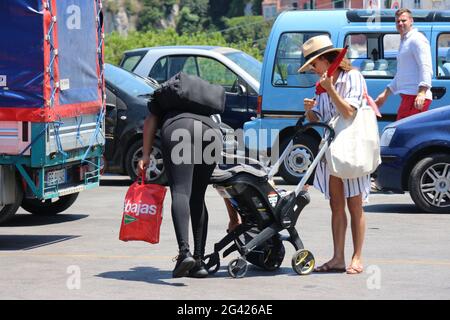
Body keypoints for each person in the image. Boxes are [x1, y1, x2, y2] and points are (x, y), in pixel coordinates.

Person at [300, 35, 369, 275]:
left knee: (355, 204)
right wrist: (310, 111)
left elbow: (349, 112)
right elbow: (319, 119)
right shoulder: (321, 84)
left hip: (350, 146)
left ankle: (356, 257)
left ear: (326, 59)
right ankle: (338, 257)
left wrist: (330, 90)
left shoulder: (353, 77)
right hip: (331, 148)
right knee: (336, 205)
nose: (312, 69)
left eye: (314, 64)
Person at [138, 100, 222, 279]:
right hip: (211, 131)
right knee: (198, 196)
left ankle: (185, 253)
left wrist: (146, 155)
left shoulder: (164, 98)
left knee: (181, 191)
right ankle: (198, 262)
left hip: (179, 130)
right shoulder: (199, 100)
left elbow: (150, 120)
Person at [374, 8, 433, 120]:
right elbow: (401, 74)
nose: (400, 23)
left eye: (403, 20)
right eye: (397, 21)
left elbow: (426, 66)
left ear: (411, 21)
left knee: (408, 134)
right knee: (403, 132)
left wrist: (422, 92)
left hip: (416, 97)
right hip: (408, 97)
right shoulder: (405, 41)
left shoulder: (417, 39)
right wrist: (385, 95)